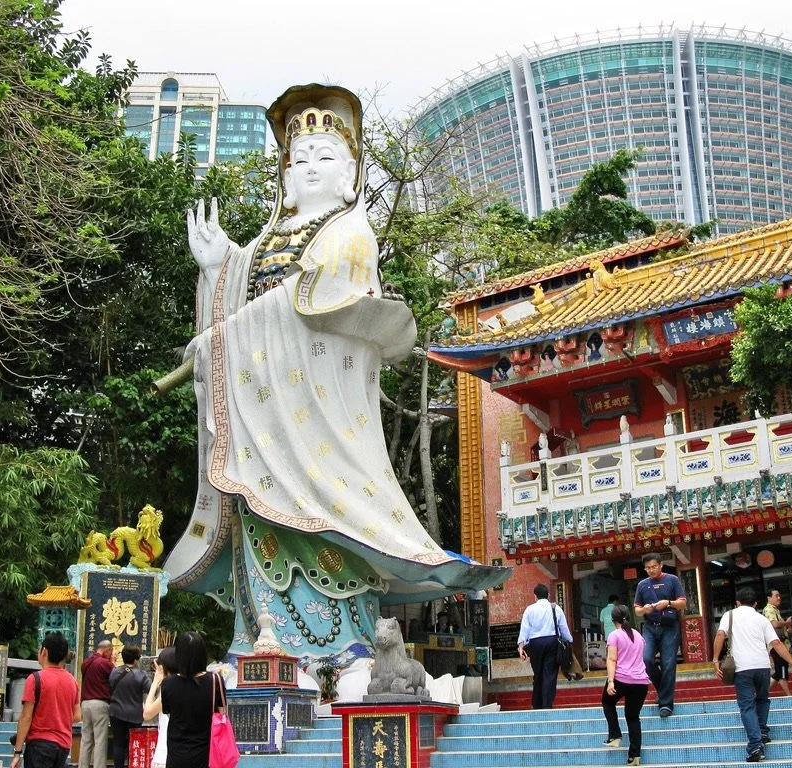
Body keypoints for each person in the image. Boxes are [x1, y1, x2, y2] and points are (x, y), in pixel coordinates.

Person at [162, 83, 506, 668]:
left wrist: (226, 334)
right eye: (300, 161)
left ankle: (341, 647)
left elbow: (316, 298)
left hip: (320, 423)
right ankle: (255, 643)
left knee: (327, 523)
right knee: (256, 513)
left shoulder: (350, 233)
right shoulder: (268, 241)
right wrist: (223, 265)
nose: (312, 170)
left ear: (350, 174)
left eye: (326, 158)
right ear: (285, 177)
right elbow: (254, 292)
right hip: (264, 426)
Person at [713, 587, 792, 763]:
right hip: (762, 666)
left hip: (742, 667)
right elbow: (776, 643)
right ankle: (762, 731)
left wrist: (716, 660)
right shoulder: (762, 619)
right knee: (762, 699)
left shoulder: (729, 615)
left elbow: (720, 634)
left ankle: (755, 746)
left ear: (737, 602)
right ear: (755, 604)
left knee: (747, 706)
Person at [10, 632, 81, 768]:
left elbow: (26, 717)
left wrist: (17, 752)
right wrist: (58, 718)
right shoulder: (72, 681)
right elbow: (77, 716)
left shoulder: (35, 679)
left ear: (44, 651)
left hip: (39, 745)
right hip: (63, 746)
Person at [160, 632, 225, 768]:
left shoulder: (168, 684)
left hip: (176, 754)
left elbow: (167, 711)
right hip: (207, 755)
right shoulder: (215, 680)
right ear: (203, 654)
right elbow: (223, 713)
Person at [633, 553, 686, 717]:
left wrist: (668, 603)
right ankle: (664, 689)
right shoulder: (642, 585)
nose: (651, 570)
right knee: (645, 659)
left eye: (654, 566)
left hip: (670, 626)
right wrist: (644, 610)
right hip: (650, 627)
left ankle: (665, 704)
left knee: (668, 663)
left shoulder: (672, 580)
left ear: (661, 565)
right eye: (647, 568)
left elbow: (683, 602)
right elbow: (637, 609)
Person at [601, 604, 649, 767]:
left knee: (607, 702)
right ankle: (634, 756)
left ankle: (615, 735)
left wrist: (611, 681)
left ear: (612, 619)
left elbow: (612, 659)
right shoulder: (638, 635)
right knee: (633, 717)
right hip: (641, 682)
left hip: (621, 679)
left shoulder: (614, 635)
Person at [516, 584, 574, 709]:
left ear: (535, 596)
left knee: (538, 674)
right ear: (548, 595)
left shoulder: (529, 609)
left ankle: (537, 704)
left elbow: (524, 629)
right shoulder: (555, 608)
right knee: (550, 674)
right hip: (552, 642)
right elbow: (563, 627)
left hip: (535, 644)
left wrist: (521, 647)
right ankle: (547, 704)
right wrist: (569, 640)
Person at [108, 645, 150, 768]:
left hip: (116, 712)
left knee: (118, 743)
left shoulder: (114, 672)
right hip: (134, 715)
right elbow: (150, 689)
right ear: (136, 659)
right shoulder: (141, 675)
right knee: (134, 742)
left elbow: (110, 685)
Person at [78, 640, 114, 768]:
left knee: (86, 739)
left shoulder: (86, 663)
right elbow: (114, 677)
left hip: (85, 704)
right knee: (100, 740)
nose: (111, 654)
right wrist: (111, 662)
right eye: (111, 652)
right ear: (107, 649)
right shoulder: (105, 663)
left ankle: (83, 766)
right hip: (99, 703)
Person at [143, 647, 178, 768]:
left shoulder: (170, 689)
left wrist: (155, 682)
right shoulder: (186, 685)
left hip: (165, 754)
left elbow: (147, 714)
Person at [762, 590, 792, 695]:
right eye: (776, 596)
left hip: (782, 645)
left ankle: (761, 693)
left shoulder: (776, 611)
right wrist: (786, 623)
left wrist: (790, 624)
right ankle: (789, 696)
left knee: (779, 671)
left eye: (779, 596)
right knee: (781, 670)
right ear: (769, 598)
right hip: (776, 646)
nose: (779, 598)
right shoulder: (768, 610)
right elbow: (775, 624)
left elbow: (787, 632)